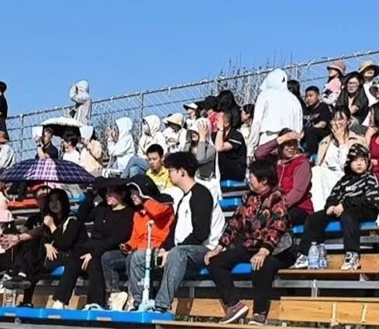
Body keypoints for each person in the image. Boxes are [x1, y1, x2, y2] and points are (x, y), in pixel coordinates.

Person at [127, 152, 225, 313]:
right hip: (181, 249)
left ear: (182, 171)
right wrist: (164, 249)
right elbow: (173, 232)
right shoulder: (184, 198)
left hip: (205, 250)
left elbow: (201, 233)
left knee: (177, 253)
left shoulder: (201, 194)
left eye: (171, 170)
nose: (169, 174)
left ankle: (161, 305)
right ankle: (139, 303)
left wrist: (172, 251)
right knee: (139, 256)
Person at [205, 160, 294, 325]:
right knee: (215, 262)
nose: (248, 179)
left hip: (276, 249)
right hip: (252, 246)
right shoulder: (249, 198)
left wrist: (263, 251)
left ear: (264, 180)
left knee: (261, 266)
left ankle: (260, 312)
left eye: (251, 176)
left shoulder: (277, 198)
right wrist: (219, 247)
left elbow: (277, 227)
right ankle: (234, 304)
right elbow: (235, 223)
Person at [294, 144, 379, 271]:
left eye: (362, 160)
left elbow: (371, 200)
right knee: (315, 218)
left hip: (365, 210)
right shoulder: (344, 180)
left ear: (367, 162)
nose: (359, 163)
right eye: (355, 160)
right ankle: (305, 254)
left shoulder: (370, 178)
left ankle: (352, 254)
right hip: (342, 209)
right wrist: (330, 206)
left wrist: (345, 204)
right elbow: (334, 195)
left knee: (348, 215)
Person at [51, 178, 134, 309]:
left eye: (112, 192)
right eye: (106, 192)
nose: (108, 195)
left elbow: (117, 238)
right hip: (92, 245)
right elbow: (82, 216)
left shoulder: (128, 213)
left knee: (94, 262)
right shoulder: (102, 208)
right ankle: (60, 300)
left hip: (111, 249)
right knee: (74, 259)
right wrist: (91, 195)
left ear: (122, 194)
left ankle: (95, 302)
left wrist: (94, 253)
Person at [101, 175, 174, 311]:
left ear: (143, 192)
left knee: (134, 257)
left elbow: (157, 212)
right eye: (132, 193)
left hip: (157, 250)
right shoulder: (137, 214)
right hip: (138, 251)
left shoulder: (164, 205)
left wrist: (145, 201)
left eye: (135, 193)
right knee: (108, 258)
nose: (132, 196)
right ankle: (115, 294)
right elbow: (135, 238)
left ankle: (135, 298)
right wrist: (128, 245)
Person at [4, 189, 82, 307]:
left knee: (33, 256)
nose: (54, 204)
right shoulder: (50, 219)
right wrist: (20, 238)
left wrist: (51, 226)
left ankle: (18, 274)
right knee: (31, 247)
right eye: (51, 201)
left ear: (64, 202)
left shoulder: (71, 219)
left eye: (57, 200)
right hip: (48, 256)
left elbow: (65, 243)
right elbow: (39, 233)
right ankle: (25, 293)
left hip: (66, 256)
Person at [0, 186, 50, 306]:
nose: (44, 201)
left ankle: (26, 299)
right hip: (19, 255)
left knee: (32, 244)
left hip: (41, 254)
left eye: (46, 198)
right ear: (36, 201)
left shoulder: (55, 218)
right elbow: (22, 232)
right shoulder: (33, 219)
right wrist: (15, 235)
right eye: (41, 198)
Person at [310, 106, 366, 212]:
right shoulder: (325, 141)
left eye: (340, 119)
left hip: (349, 178)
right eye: (334, 120)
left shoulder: (357, 140)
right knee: (316, 171)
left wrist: (341, 142)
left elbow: (349, 166)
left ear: (348, 121)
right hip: (327, 178)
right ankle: (320, 211)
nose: (337, 123)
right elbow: (321, 164)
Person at [254, 129, 313, 225]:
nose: (292, 147)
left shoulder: (302, 162)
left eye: (294, 143)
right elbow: (258, 154)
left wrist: (280, 205)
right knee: (253, 217)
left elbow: (297, 191)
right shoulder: (276, 159)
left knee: (275, 219)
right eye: (288, 143)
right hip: (274, 204)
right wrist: (278, 140)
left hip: (298, 207)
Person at [247, 69, 303, 155]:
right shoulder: (294, 99)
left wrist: (251, 147)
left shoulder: (264, 95)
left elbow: (257, 122)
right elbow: (299, 127)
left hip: (268, 139)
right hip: (290, 142)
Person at [185, 119, 219, 199]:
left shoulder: (211, 149)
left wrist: (202, 138)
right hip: (191, 183)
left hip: (207, 184)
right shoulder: (187, 147)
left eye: (197, 131)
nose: (193, 133)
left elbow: (200, 159)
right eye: (192, 131)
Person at [214, 111, 247, 182]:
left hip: (235, 171)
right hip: (220, 171)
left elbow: (219, 148)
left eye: (217, 121)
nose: (214, 123)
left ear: (226, 123)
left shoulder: (236, 135)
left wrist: (220, 129)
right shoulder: (215, 135)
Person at [302, 86, 333, 157]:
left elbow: (323, 124)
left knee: (310, 131)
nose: (308, 98)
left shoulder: (324, 107)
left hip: (321, 134)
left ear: (318, 96)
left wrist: (307, 130)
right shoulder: (305, 110)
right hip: (306, 135)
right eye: (306, 96)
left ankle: (313, 155)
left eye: (311, 96)